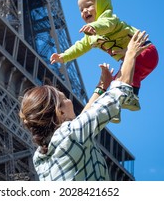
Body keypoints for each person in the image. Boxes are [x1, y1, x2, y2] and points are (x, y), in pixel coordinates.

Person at [19, 30, 150, 181]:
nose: (69, 101)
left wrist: (100, 88)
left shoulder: (40, 156)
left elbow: (81, 122)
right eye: (64, 99)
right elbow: (117, 94)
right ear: (59, 112)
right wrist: (130, 54)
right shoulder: (72, 134)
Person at [50, 0, 158, 123]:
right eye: (81, 10)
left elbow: (105, 24)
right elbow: (80, 47)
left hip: (145, 50)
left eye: (88, 6)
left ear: (101, 4)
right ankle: (118, 106)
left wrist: (95, 27)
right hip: (133, 59)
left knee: (120, 79)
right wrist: (64, 56)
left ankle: (128, 99)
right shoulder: (90, 36)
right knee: (116, 81)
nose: (84, 11)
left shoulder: (108, 18)